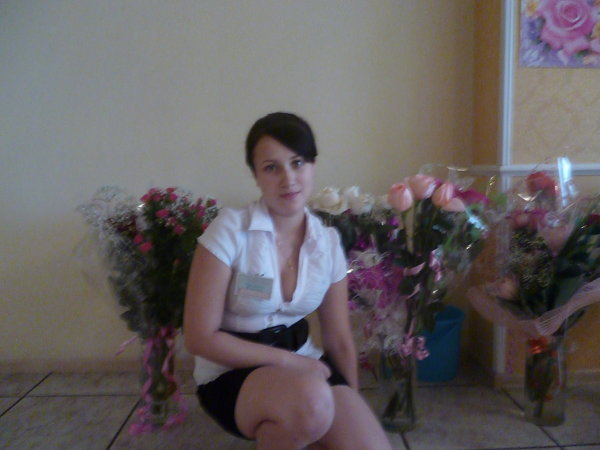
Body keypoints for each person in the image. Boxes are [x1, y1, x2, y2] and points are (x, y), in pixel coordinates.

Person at [184, 112, 392, 449]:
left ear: (312, 166)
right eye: (272, 167)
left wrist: (350, 405)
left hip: (305, 366)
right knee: (310, 404)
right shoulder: (229, 231)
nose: (288, 179)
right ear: (255, 175)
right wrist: (290, 362)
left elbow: (339, 340)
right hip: (230, 372)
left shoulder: (327, 243)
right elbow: (199, 338)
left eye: (297, 163)